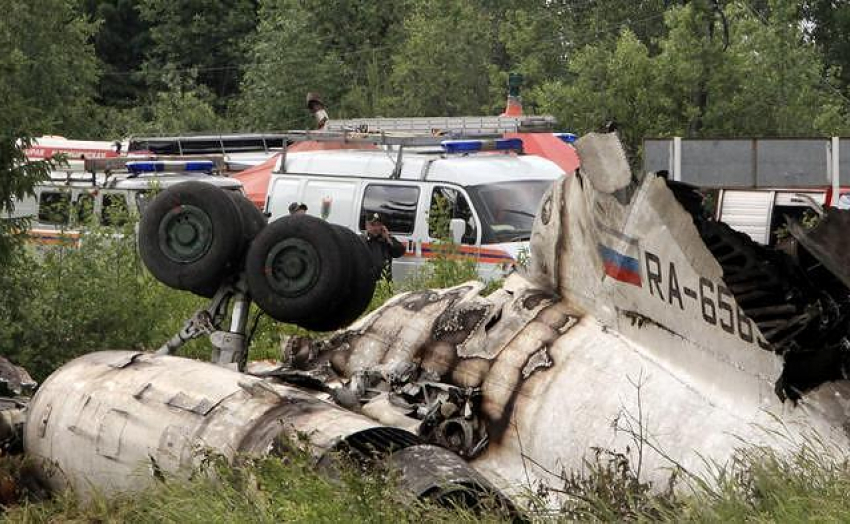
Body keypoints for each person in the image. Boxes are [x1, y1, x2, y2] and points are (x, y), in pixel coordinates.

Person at [362, 212, 405, 280]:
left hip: (384, 284)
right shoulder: (361, 241)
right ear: (366, 225)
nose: (376, 228)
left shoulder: (387, 241)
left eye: (378, 225)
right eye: (372, 225)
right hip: (367, 283)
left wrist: (388, 237)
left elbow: (399, 252)